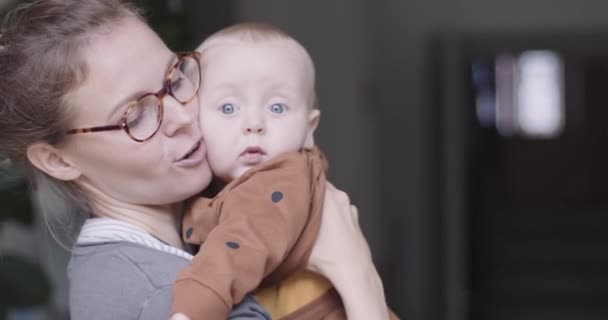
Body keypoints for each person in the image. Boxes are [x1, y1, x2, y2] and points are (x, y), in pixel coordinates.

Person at [0, 1, 391, 319]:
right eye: (136, 115)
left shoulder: (211, 220)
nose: (185, 117)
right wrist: (355, 273)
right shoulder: (160, 295)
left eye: (176, 77)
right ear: (57, 161)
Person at [171, 23, 396, 320]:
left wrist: (192, 308)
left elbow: (242, 241)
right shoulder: (208, 189)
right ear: (196, 119)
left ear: (308, 129)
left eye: (277, 108)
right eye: (228, 108)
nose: (253, 123)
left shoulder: (282, 177)